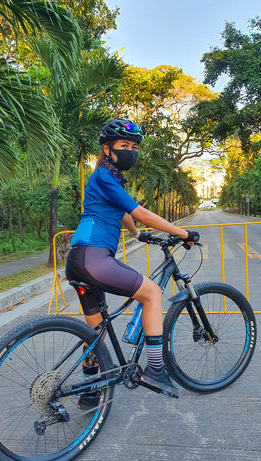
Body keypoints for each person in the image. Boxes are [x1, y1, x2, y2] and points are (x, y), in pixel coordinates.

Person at [66, 118, 199, 408]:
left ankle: (89, 393)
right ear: (107, 149)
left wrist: (137, 235)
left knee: (95, 332)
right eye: (124, 145)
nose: (130, 150)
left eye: (134, 146)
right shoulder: (103, 175)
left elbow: (124, 213)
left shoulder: (107, 179)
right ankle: (155, 371)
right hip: (94, 258)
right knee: (152, 294)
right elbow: (139, 211)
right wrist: (182, 232)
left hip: (78, 259)